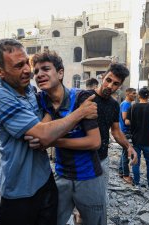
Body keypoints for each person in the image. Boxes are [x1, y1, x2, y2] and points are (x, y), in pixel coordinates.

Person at [0, 39, 97, 225]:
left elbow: (44, 128)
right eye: (18, 66)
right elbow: (43, 134)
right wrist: (80, 113)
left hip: (45, 179)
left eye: (26, 63)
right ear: (0, 71)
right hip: (19, 189)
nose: (28, 71)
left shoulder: (31, 91)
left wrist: (46, 130)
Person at [32, 51, 106, 225]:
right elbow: (36, 134)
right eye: (36, 72)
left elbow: (94, 142)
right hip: (62, 174)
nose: (39, 74)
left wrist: (52, 140)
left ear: (60, 73)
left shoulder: (81, 98)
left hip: (89, 177)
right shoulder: (40, 100)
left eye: (45, 69)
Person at [89, 64, 138, 202]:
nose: (110, 86)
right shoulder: (86, 97)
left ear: (120, 86)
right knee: (80, 201)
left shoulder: (114, 105)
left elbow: (116, 131)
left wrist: (128, 147)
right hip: (82, 158)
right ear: (102, 77)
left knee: (100, 199)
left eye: (116, 84)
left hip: (102, 158)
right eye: (108, 80)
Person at [125, 87, 149, 190]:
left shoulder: (132, 107)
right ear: (148, 96)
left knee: (136, 162)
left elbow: (127, 122)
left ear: (138, 96)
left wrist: (135, 122)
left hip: (136, 140)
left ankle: (136, 184)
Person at [118, 88, 137, 183]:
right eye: (133, 93)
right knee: (127, 153)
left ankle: (121, 171)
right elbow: (125, 118)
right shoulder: (126, 104)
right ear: (128, 94)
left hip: (124, 131)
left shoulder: (126, 104)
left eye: (135, 93)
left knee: (124, 152)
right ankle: (126, 175)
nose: (135, 95)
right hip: (126, 131)